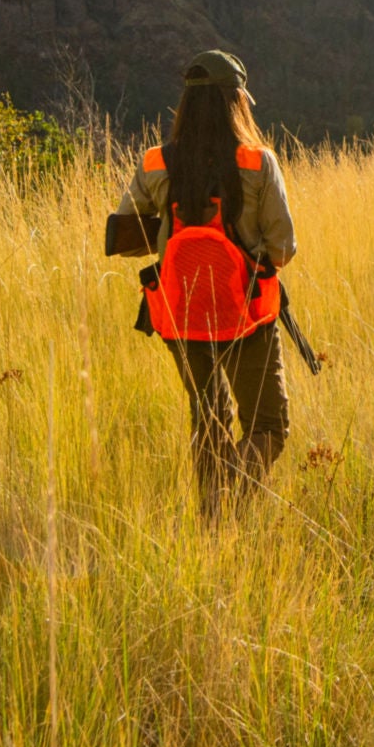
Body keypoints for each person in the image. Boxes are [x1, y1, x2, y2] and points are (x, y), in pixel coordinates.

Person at [111, 49, 298, 515]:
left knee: (209, 423)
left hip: (178, 313)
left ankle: (214, 522)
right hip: (246, 315)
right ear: (236, 102)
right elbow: (282, 249)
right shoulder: (258, 162)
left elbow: (124, 233)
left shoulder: (155, 162)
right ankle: (229, 499)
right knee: (269, 426)